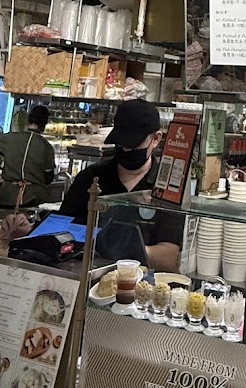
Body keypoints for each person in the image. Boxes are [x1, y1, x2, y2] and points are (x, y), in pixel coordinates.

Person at [60, 99, 182, 271]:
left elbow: (168, 258)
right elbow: (60, 229)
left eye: (132, 144)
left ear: (156, 139)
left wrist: (121, 251)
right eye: (120, 142)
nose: (124, 149)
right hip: (87, 278)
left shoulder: (166, 187)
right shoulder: (90, 178)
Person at [0, 105, 56, 212]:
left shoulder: (9, 138)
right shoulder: (46, 146)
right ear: (45, 123)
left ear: (28, 119)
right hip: (33, 197)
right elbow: (49, 177)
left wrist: (8, 154)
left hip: (7, 196)